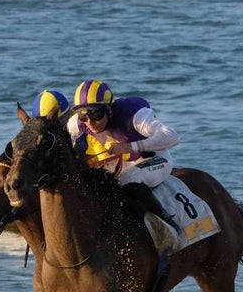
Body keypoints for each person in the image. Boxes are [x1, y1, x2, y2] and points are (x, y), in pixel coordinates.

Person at [66, 80, 181, 233]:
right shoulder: (78, 123)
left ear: (109, 108)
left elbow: (172, 136)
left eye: (96, 114)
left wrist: (130, 146)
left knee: (128, 179)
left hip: (154, 158)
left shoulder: (134, 114)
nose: (90, 122)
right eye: (83, 115)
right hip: (124, 163)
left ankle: (166, 222)